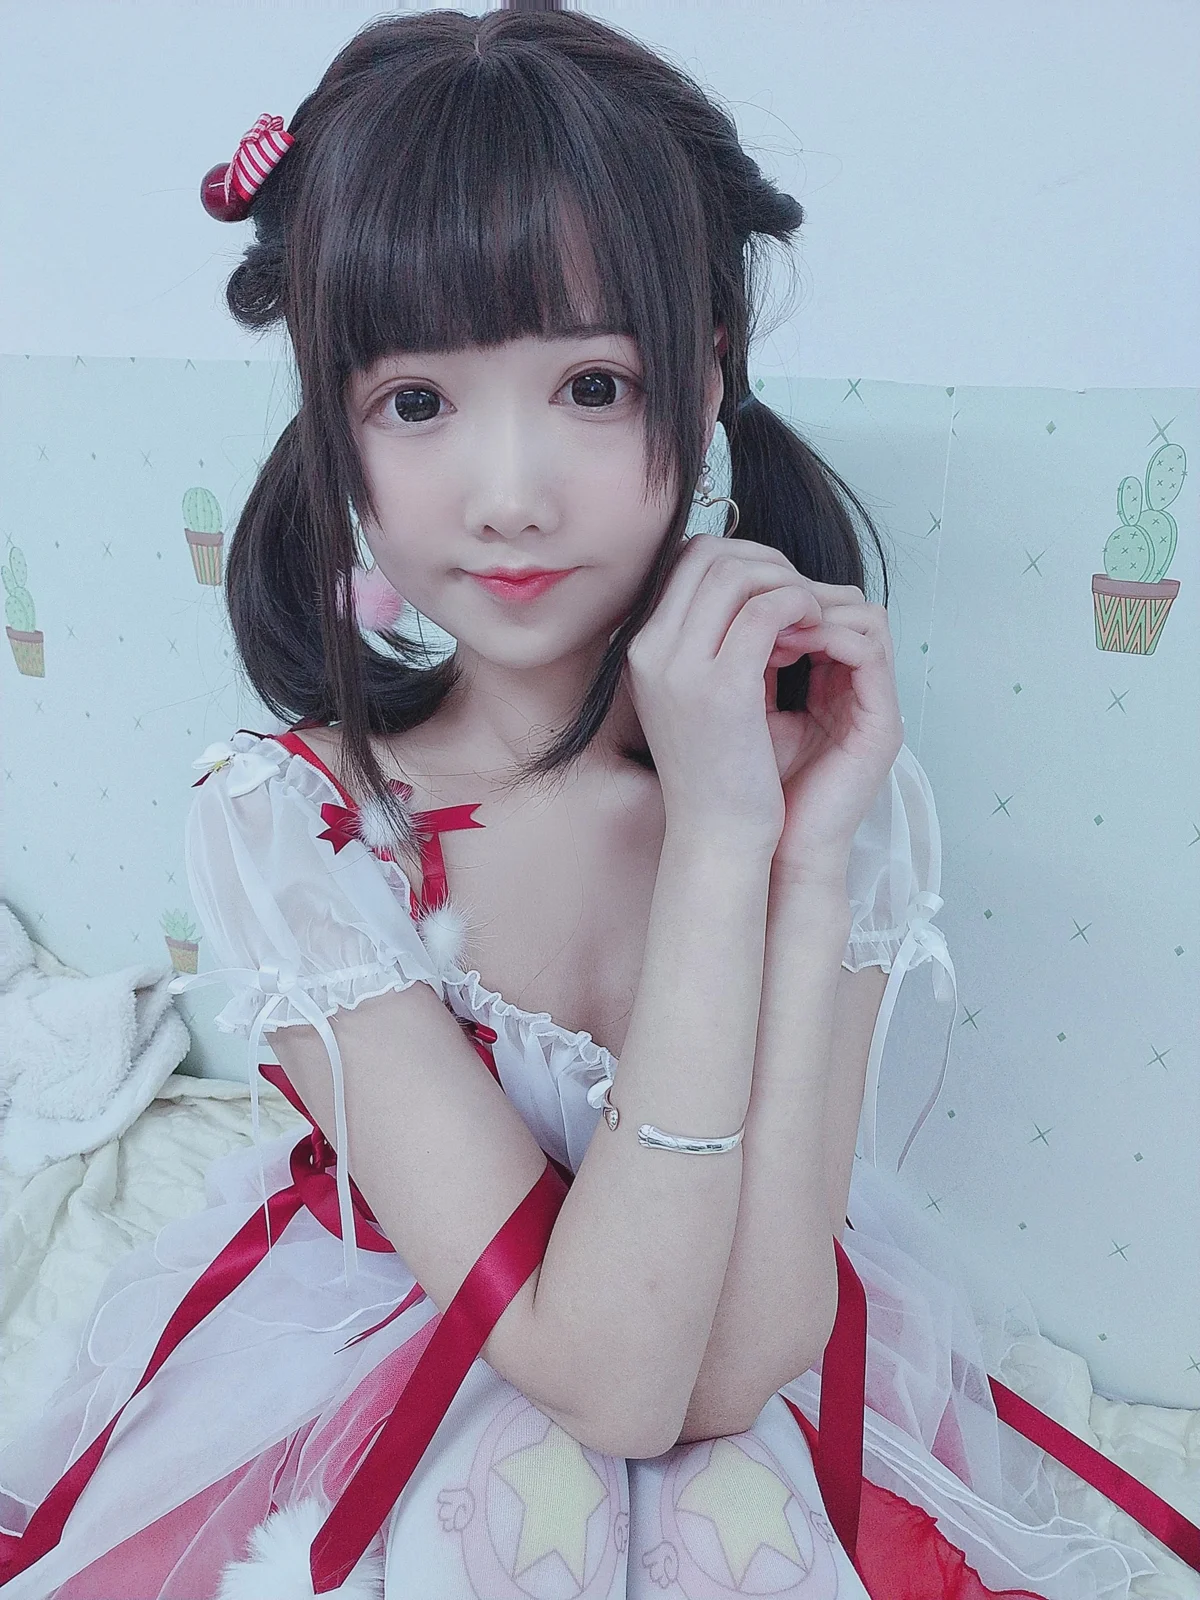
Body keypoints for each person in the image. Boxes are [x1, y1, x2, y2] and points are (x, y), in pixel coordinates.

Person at [0, 11, 1159, 1598]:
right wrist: (723, 850)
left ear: (709, 376)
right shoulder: (298, 825)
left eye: (593, 386)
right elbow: (607, 1383)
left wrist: (777, 847)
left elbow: (733, 1366)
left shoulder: (828, 785)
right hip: (405, 1336)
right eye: (418, 402)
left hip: (712, 1351)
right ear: (334, 424)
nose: (510, 495)